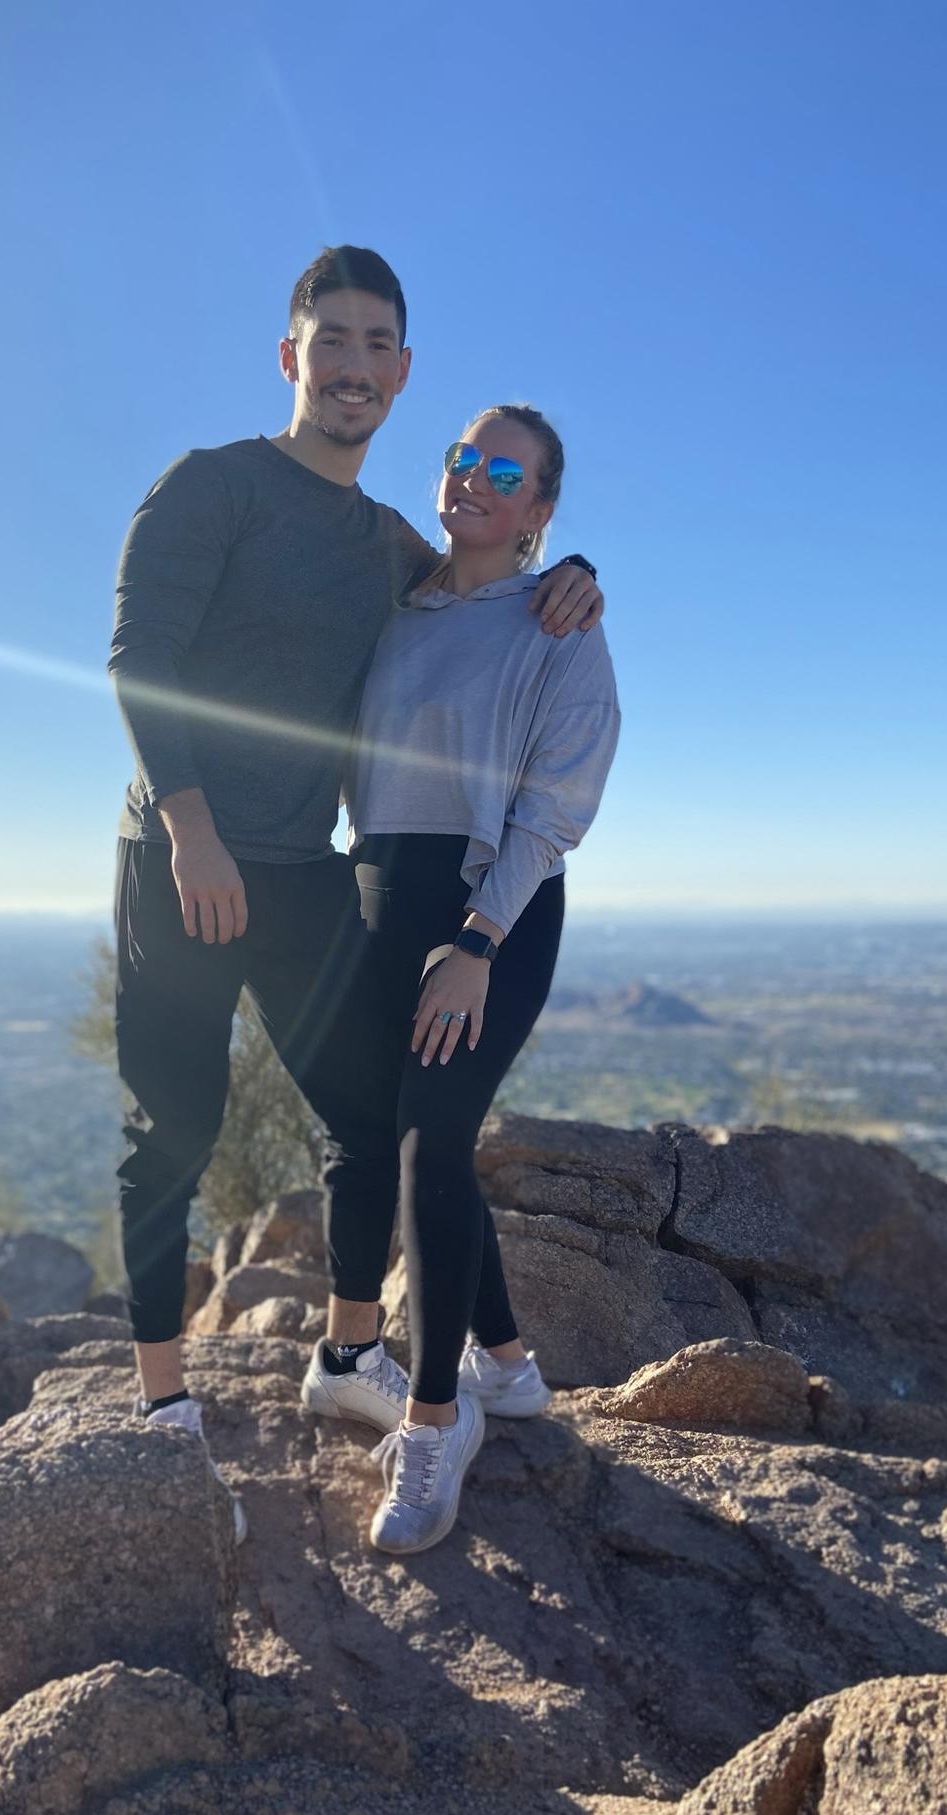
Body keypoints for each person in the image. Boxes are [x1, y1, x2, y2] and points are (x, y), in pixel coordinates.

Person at [107, 248, 603, 1540]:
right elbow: (139, 656)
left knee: (376, 1111)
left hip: (313, 881)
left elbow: (490, 587)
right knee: (174, 1122)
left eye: (377, 343)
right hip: (186, 862)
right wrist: (191, 831)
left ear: (400, 371)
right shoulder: (215, 489)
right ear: (292, 357)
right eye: (331, 339)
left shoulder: (390, 547)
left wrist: (577, 571)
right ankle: (165, 1412)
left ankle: (349, 1357)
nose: (353, 364)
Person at [299, 405, 621, 1554]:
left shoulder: (558, 626)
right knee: (408, 1130)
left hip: (494, 909)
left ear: (538, 510)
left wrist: (477, 942)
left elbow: (557, 807)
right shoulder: (397, 588)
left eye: (506, 474)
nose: (473, 479)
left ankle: (439, 1424)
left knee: (435, 1140)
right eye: (462, 459)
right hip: (383, 890)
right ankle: (510, 1362)